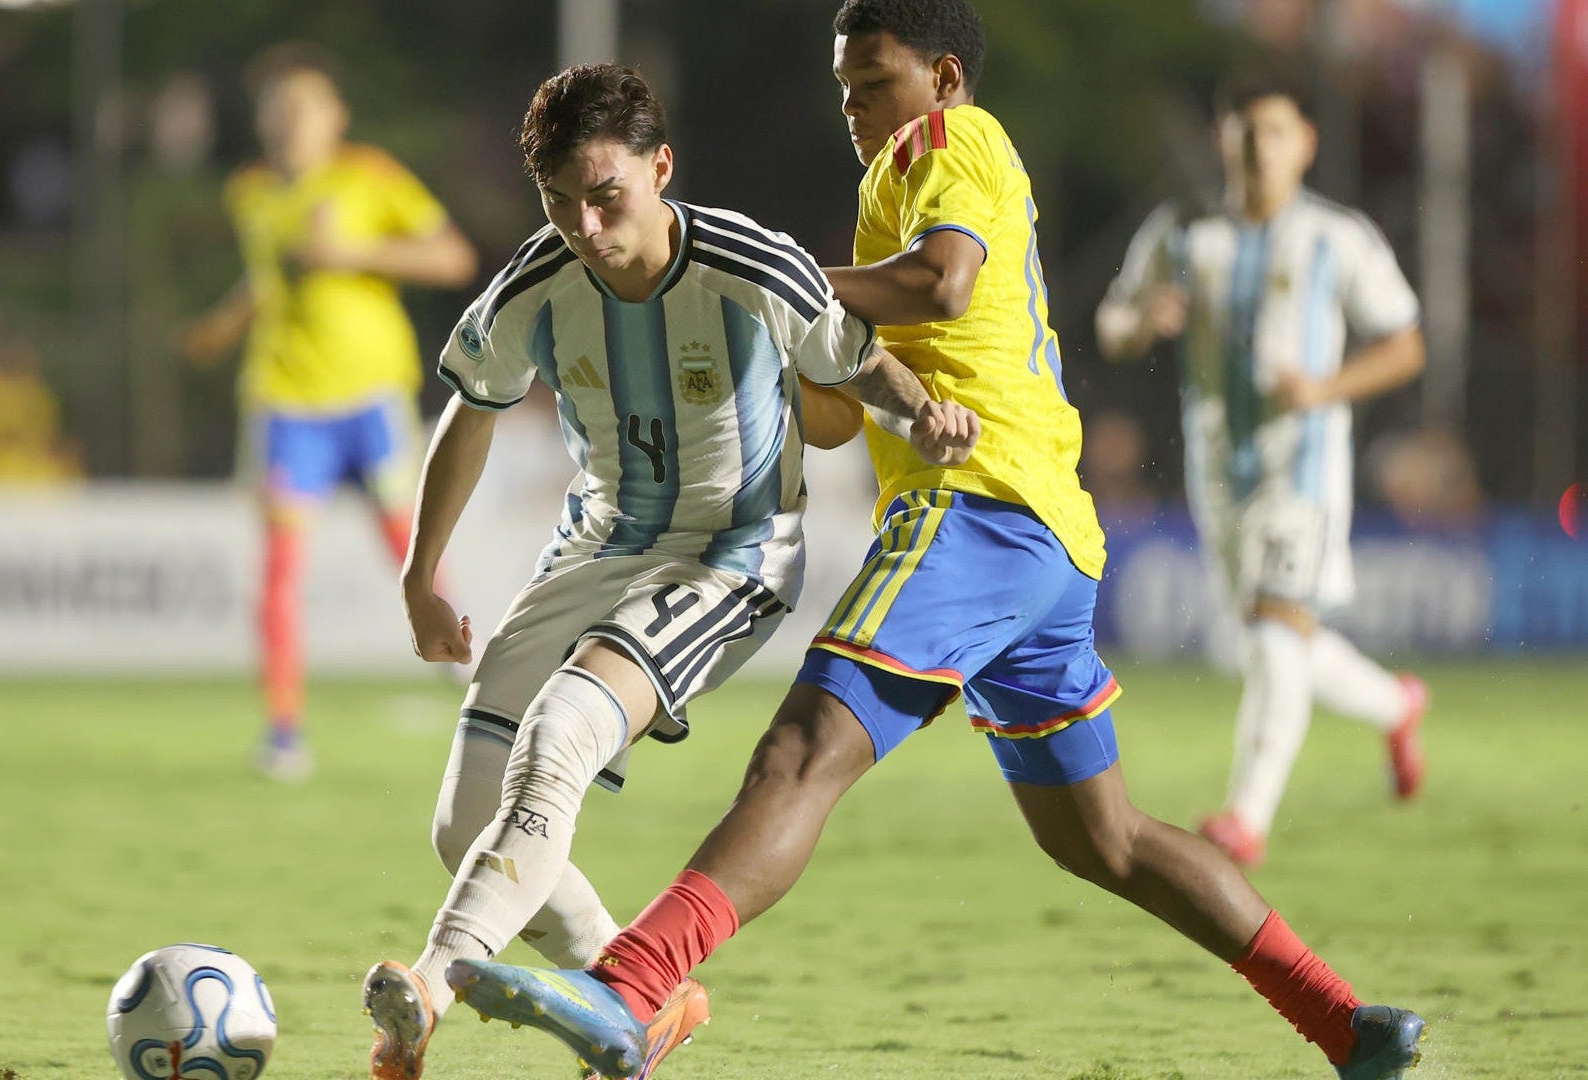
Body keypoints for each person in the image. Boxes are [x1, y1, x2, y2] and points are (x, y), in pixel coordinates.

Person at [442, 5, 1426, 1080]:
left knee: (800, 754)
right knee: (1105, 839)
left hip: (980, 509)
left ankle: (627, 988)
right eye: (842, 85)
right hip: (1045, 530)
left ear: (943, 75)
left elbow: (943, 284)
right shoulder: (886, 188)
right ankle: (1345, 1022)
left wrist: (777, 290)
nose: (853, 107)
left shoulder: (955, 141)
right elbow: (840, 402)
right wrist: (781, 357)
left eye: (872, 80)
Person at [359, 63, 973, 1080]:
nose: (587, 227)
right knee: (466, 818)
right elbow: (473, 407)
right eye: (562, 203)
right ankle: (645, 1002)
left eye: (607, 196)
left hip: (731, 554)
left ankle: (429, 985)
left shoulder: (752, 267)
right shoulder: (538, 281)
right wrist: (422, 572)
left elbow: (858, 362)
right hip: (597, 546)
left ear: (661, 167)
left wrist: (926, 416)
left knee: (560, 732)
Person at [1094, 77, 1430, 868]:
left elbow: (1405, 344)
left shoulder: (1335, 238)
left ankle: (1246, 818)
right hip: (1219, 475)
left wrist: (1324, 387)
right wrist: (1142, 321)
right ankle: (1396, 702)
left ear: (1304, 142)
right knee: (1269, 646)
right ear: (1223, 140)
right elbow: (1111, 323)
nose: (1259, 148)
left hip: (1304, 472)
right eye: (1245, 131)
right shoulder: (1182, 232)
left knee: (1278, 631)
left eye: (1275, 132)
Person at [182, 44, 478, 780]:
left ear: (334, 116)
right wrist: (225, 322)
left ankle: (468, 677)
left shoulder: (368, 176)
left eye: (304, 107)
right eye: (276, 109)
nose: (288, 122)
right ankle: (283, 734)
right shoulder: (249, 192)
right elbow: (270, 278)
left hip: (369, 395)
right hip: (286, 402)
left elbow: (452, 258)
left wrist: (355, 253)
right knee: (280, 568)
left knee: (408, 549)